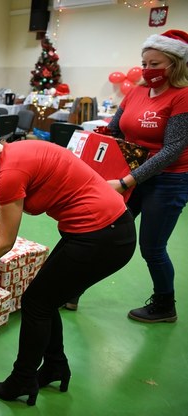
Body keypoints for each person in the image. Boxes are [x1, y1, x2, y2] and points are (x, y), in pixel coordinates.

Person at [0, 109, 136, 405]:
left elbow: (4, 243)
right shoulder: (2, 157)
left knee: (36, 303)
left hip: (105, 237)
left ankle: (22, 380)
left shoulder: (9, 172)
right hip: (95, 231)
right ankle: (54, 366)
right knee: (45, 299)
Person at [103, 29, 188, 323]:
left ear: (175, 64)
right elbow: (114, 128)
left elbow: (173, 149)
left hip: (169, 179)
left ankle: (165, 305)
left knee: (152, 247)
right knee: (103, 233)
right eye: (145, 63)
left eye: (156, 64)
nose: (148, 70)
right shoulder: (136, 91)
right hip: (132, 173)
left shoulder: (183, 96)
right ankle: (74, 289)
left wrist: (128, 181)